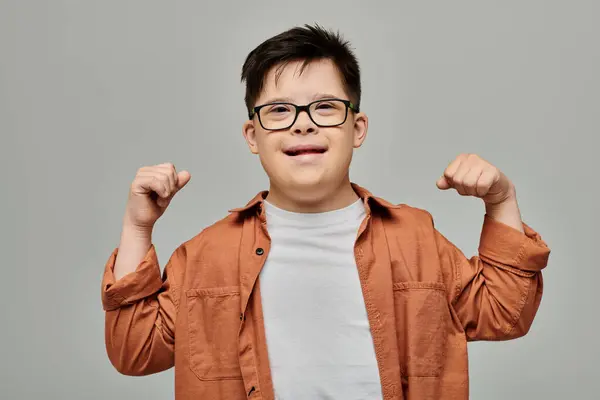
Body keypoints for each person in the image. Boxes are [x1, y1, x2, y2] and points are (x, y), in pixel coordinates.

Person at [100, 24, 550, 400]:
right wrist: (138, 226)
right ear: (252, 135)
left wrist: (501, 200)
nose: (303, 122)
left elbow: (505, 313)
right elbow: (134, 351)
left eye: (325, 107)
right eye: (278, 110)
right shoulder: (205, 256)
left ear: (357, 128)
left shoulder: (415, 239)